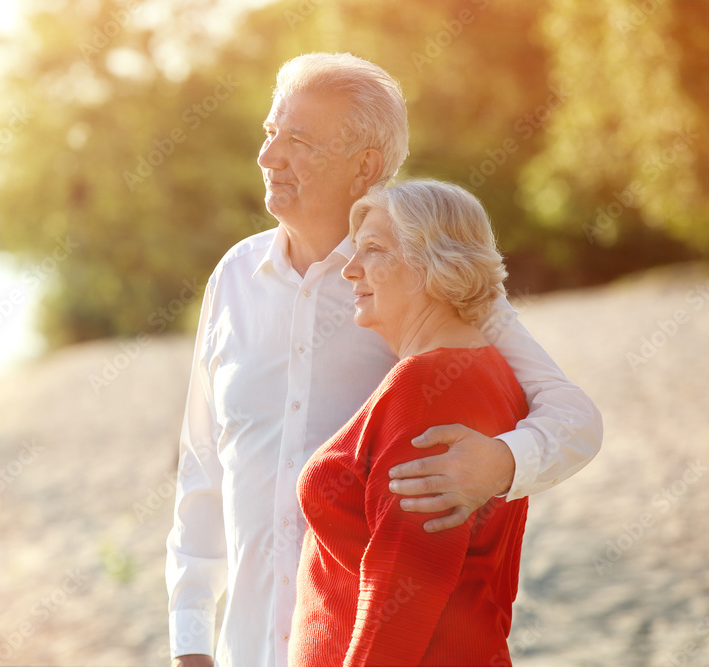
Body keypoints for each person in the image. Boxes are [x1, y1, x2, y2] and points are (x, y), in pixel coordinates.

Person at [167, 53, 602, 667]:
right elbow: (203, 470)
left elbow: (574, 417)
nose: (268, 158)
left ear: (364, 166)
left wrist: (501, 461)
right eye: (269, 134)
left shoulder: (418, 282)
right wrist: (190, 644)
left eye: (297, 141)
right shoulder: (233, 278)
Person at [290, 179, 531, 666]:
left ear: (435, 264)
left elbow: (404, 591)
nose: (350, 270)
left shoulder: (430, 385)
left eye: (374, 249)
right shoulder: (476, 369)